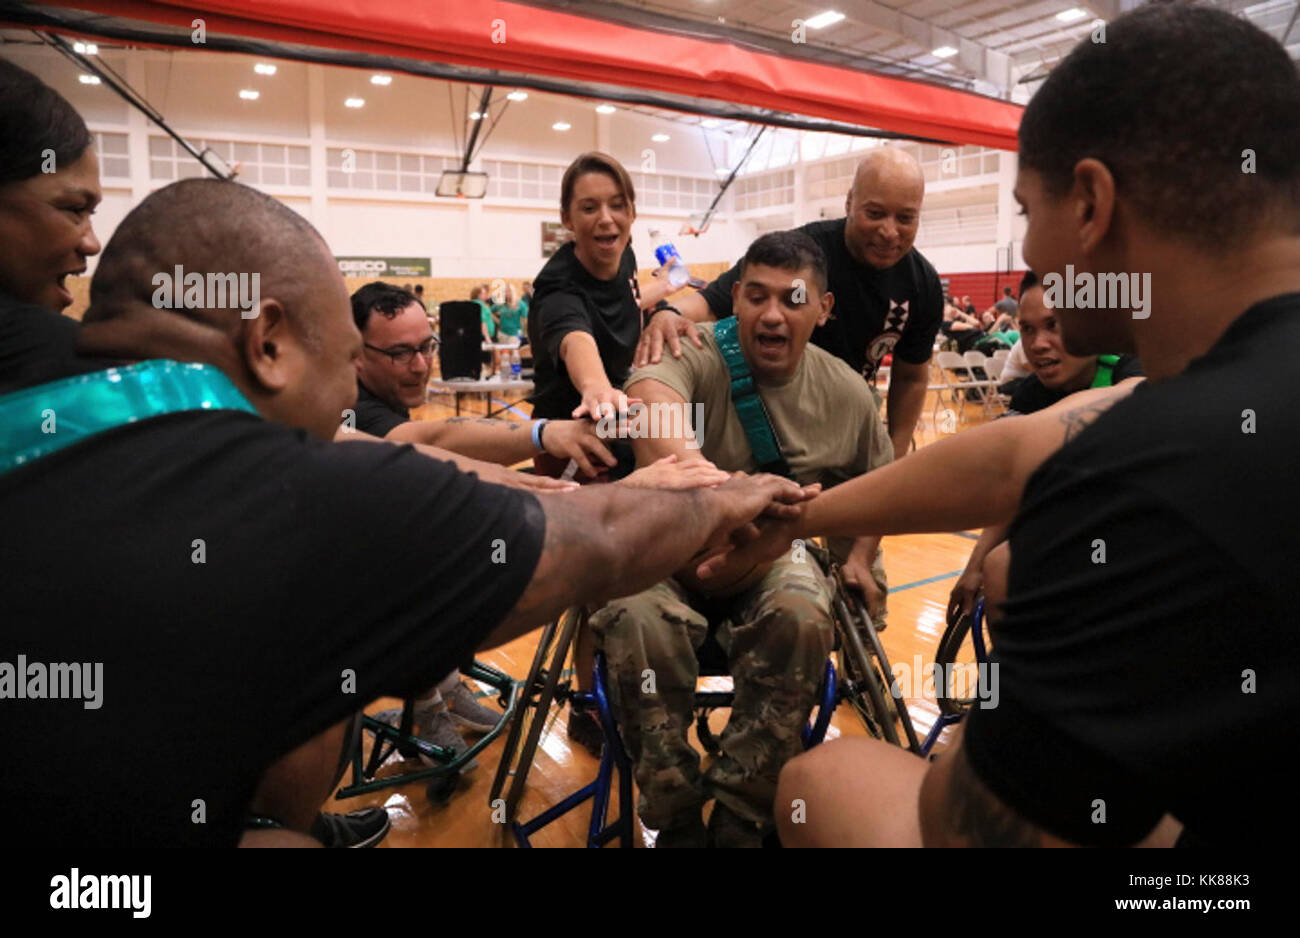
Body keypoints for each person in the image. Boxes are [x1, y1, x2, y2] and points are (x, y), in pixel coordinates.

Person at [3, 168, 815, 846]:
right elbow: (595, 538)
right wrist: (721, 497)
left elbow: (390, 448)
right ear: (271, 341)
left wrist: (549, 477)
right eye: (351, 358)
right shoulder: (297, 497)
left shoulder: (40, 385)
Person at [719, 2, 1300, 847]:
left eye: (1029, 212)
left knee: (825, 777)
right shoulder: (1221, 406)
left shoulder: (1129, 479)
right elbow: (1018, 452)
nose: (1032, 248)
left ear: (1092, 203)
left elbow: (975, 833)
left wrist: (972, 753)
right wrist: (802, 518)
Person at [593, 231, 892, 847]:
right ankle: (673, 814)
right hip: (671, 556)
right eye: (755, 296)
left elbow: (877, 488)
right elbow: (650, 407)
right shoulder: (693, 348)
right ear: (736, 300)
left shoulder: (849, 394)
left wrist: (861, 557)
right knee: (630, 611)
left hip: (771, 562)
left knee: (804, 610)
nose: (772, 314)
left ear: (824, 308)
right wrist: (731, 498)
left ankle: (742, 811)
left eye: (793, 299)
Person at [636, 147, 943, 459]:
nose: (889, 232)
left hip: (843, 416)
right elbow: (711, 301)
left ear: (825, 307)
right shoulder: (800, 256)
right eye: (875, 214)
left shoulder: (922, 285)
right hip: (768, 411)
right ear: (850, 202)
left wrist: (896, 452)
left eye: (905, 218)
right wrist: (670, 313)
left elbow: (911, 377)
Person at [526, 151, 645, 479]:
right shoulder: (557, 287)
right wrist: (596, 385)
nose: (606, 218)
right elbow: (574, 336)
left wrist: (664, 312)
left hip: (619, 421)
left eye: (617, 205)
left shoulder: (625, 254)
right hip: (569, 442)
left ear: (632, 211)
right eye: (589, 208)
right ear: (567, 219)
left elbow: (631, 300)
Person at [1005, 271, 1142, 415]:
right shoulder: (1027, 396)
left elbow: (1138, 394)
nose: (1037, 345)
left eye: (1053, 324)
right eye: (1027, 328)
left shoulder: (1130, 369)